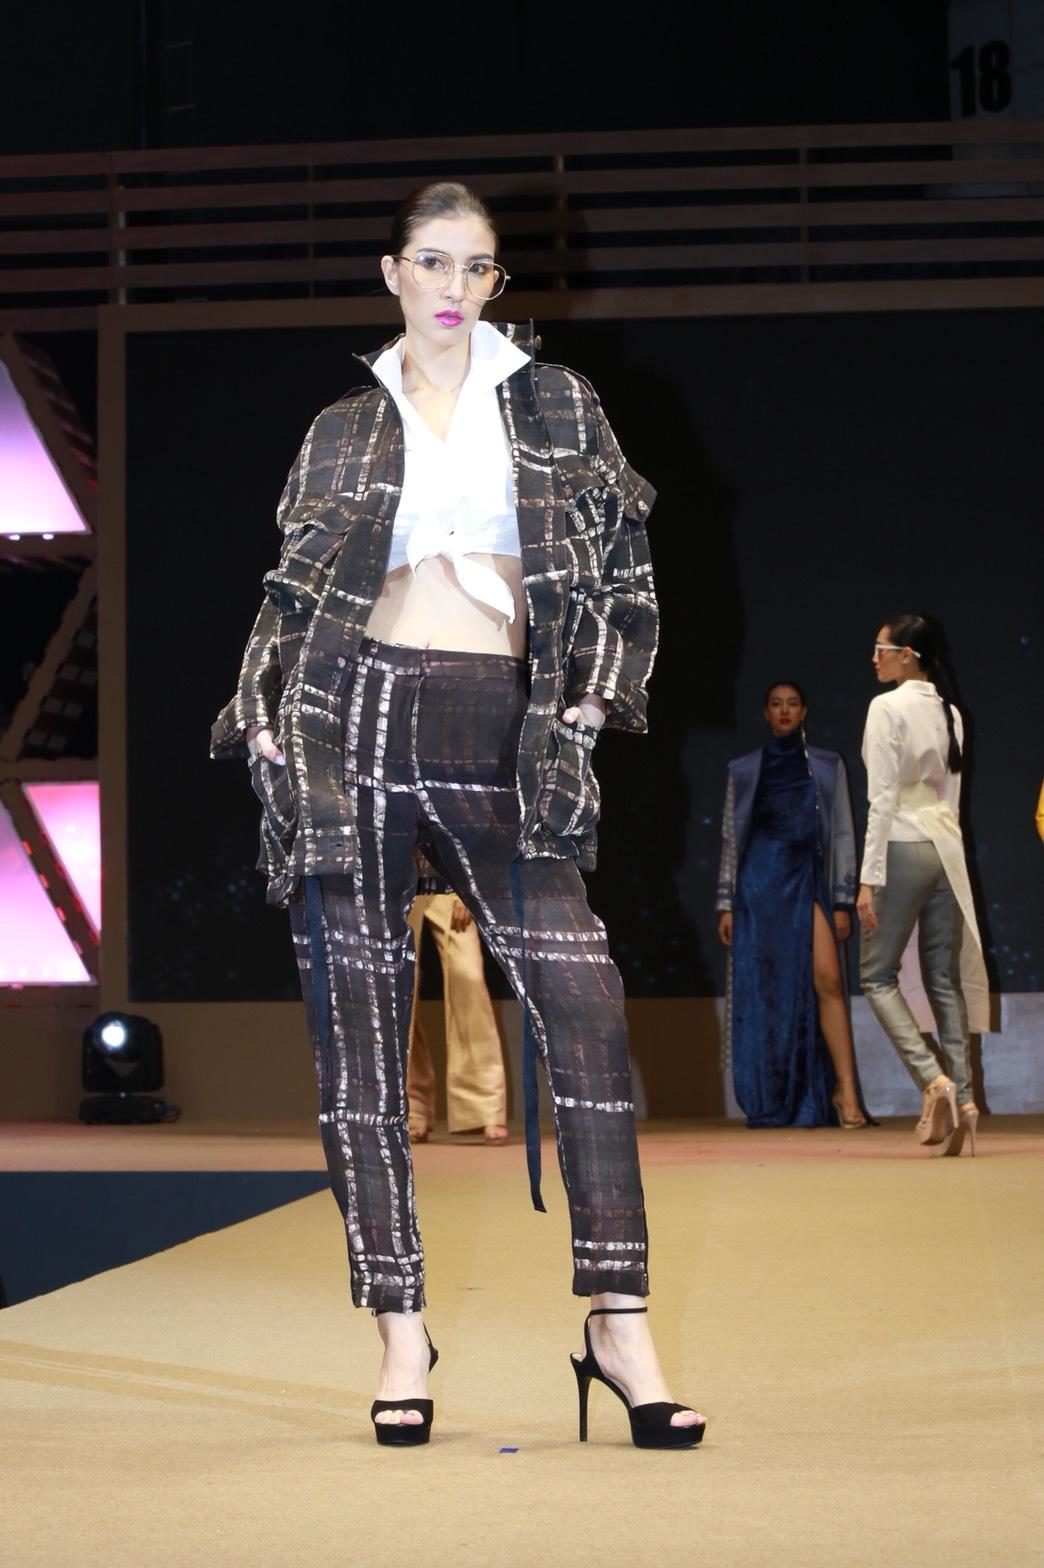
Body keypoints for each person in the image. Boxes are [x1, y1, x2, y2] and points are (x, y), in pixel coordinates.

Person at [211, 182, 704, 1449]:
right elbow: (288, 595)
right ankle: (400, 1332)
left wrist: (587, 703)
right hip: (350, 718)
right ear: (392, 271)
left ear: (494, 282)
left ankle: (619, 1322)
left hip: (501, 722)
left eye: (475, 265)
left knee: (585, 1005)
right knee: (360, 1042)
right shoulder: (340, 426)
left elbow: (623, 574)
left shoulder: (555, 401)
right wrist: (263, 711)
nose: (451, 284)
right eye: (430, 261)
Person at [856, 614, 988, 1157]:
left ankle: (933, 1080)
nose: (875, 658)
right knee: (943, 978)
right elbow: (949, 797)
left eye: (881, 648)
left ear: (907, 655)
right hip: (944, 846)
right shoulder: (949, 711)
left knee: (875, 975)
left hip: (903, 842)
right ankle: (966, 1102)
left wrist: (868, 878)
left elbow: (882, 797)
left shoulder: (886, 707)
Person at [716, 682, 865, 1129]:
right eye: (777, 705)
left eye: (793, 704)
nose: (784, 711)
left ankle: (846, 1091)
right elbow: (731, 839)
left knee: (828, 979)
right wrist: (726, 901)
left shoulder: (827, 765)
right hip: (759, 886)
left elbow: (843, 833)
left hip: (806, 878)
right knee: (768, 992)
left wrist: (843, 898)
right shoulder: (744, 769)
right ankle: (775, 1094)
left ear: (804, 712)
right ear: (766, 713)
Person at [406, 890, 509, 1145]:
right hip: (401, 882)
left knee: (469, 978)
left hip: (448, 882)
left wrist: (467, 890)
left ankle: (485, 1107)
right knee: (401, 990)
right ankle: (413, 1109)